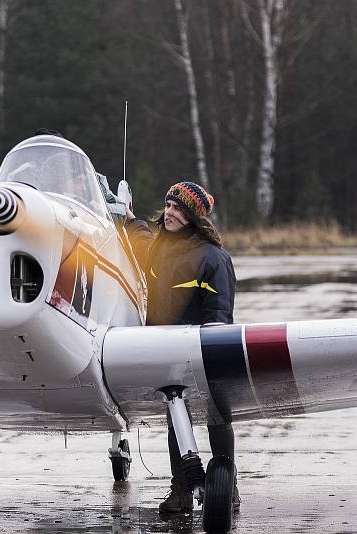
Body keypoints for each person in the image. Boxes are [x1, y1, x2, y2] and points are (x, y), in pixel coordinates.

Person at [125, 181, 239, 514]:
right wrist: (127, 215)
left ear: (194, 217)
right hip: (165, 350)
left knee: (217, 415)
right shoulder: (157, 248)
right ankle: (181, 490)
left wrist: (212, 351)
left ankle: (227, 486)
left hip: (203, 348)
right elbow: (141, 237)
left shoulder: (213, 258)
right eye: (169, 206)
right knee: (177, 416)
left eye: (180, 209)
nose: (172, 213)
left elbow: (220, 314)